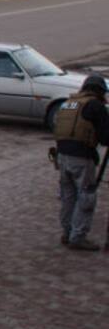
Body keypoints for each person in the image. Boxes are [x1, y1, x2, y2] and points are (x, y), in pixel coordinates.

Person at [54, 74, 109, 251]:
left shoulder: (68, 103)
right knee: (86, 197)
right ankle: (77, 237)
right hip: (82, 158)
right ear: (99, 91)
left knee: (68, 197)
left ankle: (67, 232)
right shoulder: (95, 106)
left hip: (61, 156)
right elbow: (106, 138)